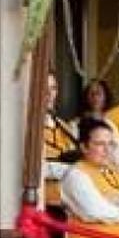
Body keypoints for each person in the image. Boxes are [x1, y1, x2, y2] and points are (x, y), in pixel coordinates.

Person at [41, 72, 79, 218]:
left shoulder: (62, 124)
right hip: (45, 202)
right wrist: (74, 170)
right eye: (45, 89)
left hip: (67, 201)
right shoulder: (28, 126)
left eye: (53, 88)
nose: (50, 94)